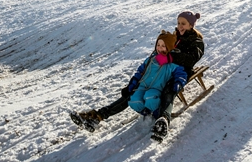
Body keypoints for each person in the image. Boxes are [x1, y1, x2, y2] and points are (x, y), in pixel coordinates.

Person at [73, 11, 204, 141]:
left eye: (183, 24)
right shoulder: (175, 36)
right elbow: (161, 49)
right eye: (178, 23)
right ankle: (97, 116)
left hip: (178, 72)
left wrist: (171, 57)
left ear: (191, 25)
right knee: (134, 90)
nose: (180, 26)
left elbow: (191, 59)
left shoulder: (196, 41)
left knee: (169, 91)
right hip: (160, 68)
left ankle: (163, 121)